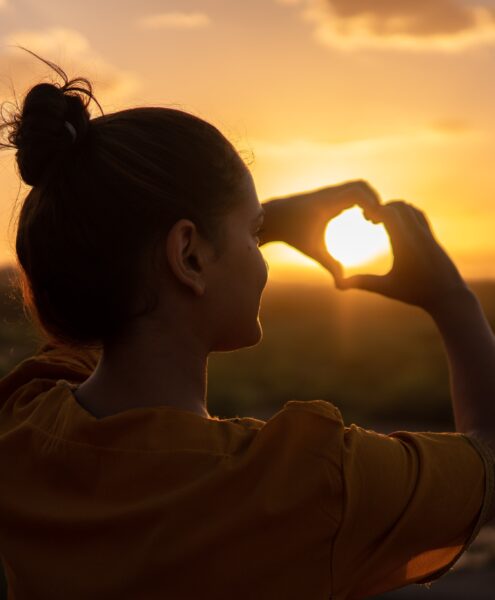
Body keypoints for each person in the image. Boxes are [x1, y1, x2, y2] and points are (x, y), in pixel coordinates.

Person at [0, 49, 493, 600]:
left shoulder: (24, 420)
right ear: (188, 256)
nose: (261, 255)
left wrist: (248, 223)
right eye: (254, 234)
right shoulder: (306, 484)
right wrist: (452, 299)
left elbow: (121, 292)